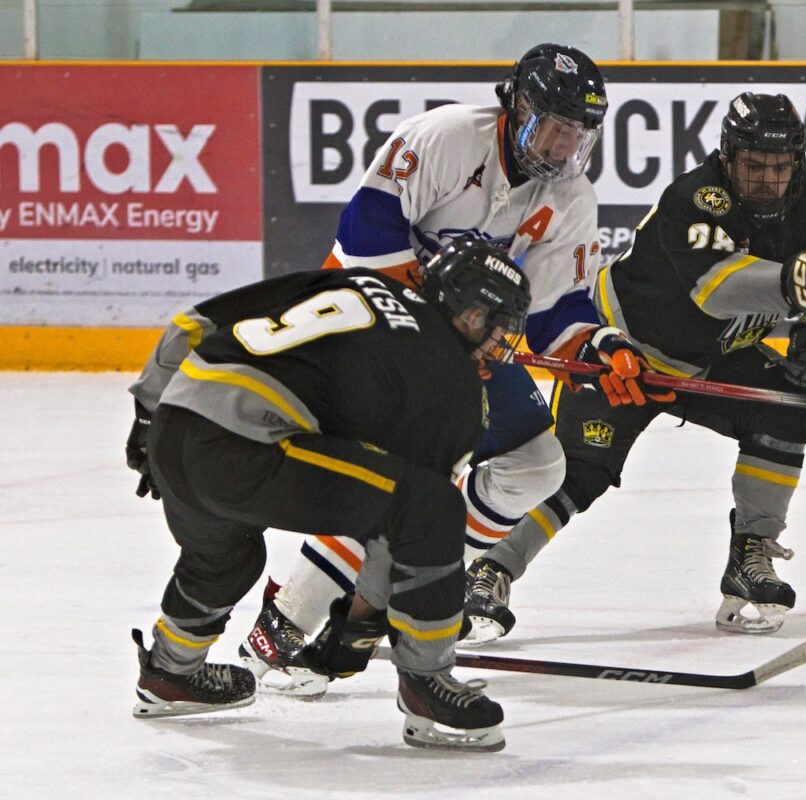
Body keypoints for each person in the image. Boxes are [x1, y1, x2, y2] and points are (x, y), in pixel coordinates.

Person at [234, 43, 671, 692]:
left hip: (461, 352)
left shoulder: (571, 198)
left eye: (575, 136)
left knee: (537, 465)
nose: (560, 148)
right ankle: (283, 627)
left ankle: (421, 586)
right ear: (518, 106)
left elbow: (556, 312)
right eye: (552, 127)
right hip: (364, 326)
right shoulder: (440, 139)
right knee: (398, 469)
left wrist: (599, 349)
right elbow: (364, 239)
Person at [464, 92, 806, 639]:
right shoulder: (696, 198)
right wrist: (802, 285)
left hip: (716, 359)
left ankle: (749, 558)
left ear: (797, 163)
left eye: (778, 168)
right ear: (728, 156)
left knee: (788, 406)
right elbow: (717, 290)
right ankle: (490, 569)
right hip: (627, 355)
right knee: (576, 471)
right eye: (753, 165)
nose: (765, 179)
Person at [125, 237, 531, 752]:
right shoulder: (454, 384)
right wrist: (356, 631)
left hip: (174, 426)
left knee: (224, 555)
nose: (498, 340)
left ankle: (168, 673)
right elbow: (407, 528)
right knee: (432, 507)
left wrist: (147, 417)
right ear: (473, 315)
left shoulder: (359, 280)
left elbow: (193, 324)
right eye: (497, 325)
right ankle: (427, 685)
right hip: (240, 449)